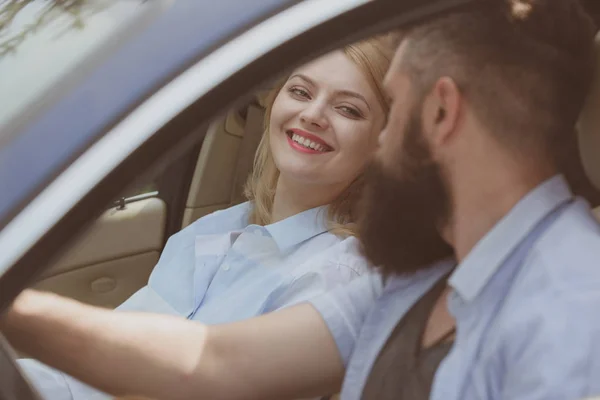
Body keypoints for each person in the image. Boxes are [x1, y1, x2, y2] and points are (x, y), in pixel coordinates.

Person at [3, 1, 600, 399]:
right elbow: (211, 362)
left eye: (386, 112)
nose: (384, 141)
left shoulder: (575, 309)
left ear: (440, 113)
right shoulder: (423, 277)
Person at [14, 35, 395, 399]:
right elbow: (95, 374)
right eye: (300, 91)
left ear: (383, 144)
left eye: (348, 109)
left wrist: (16, 310)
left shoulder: (339, 277)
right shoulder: (217, 228)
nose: (312, 114)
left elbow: (206, 379)